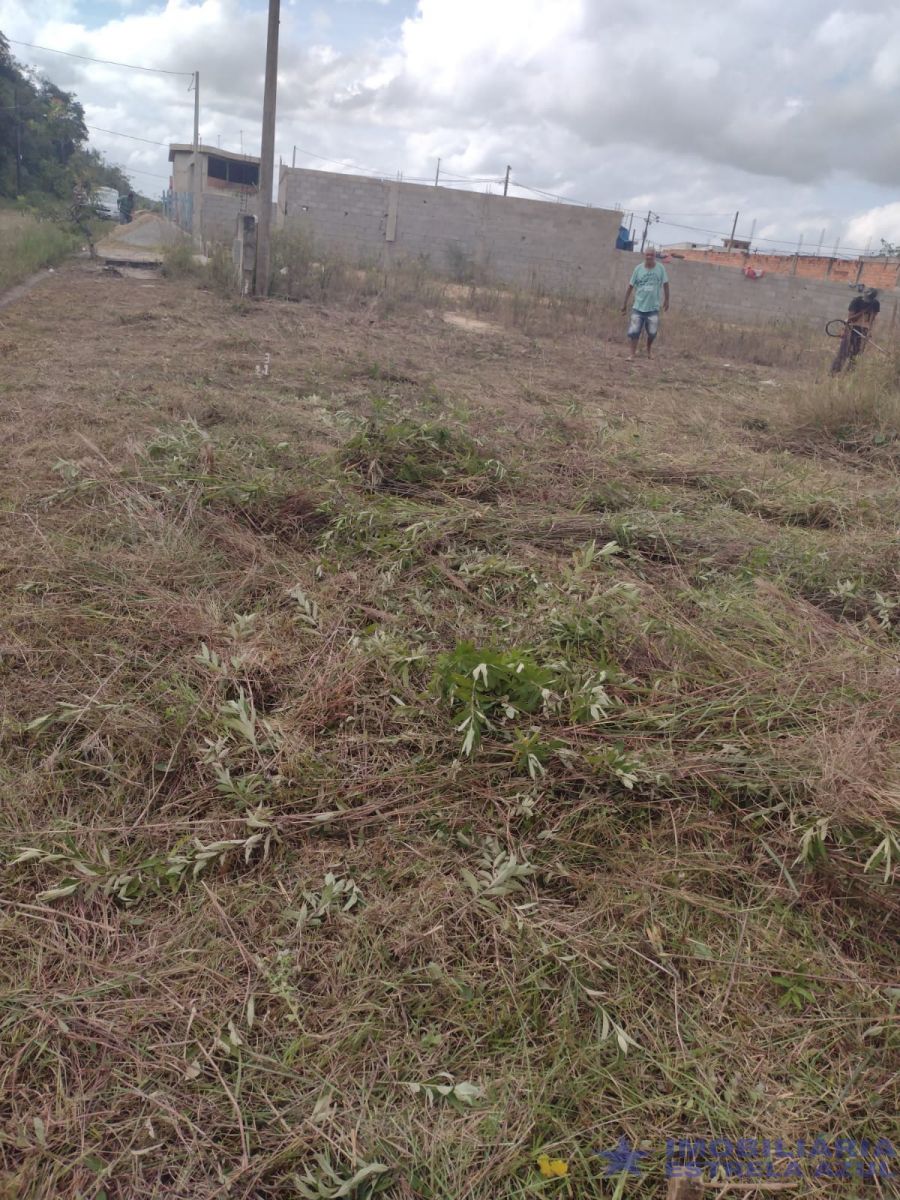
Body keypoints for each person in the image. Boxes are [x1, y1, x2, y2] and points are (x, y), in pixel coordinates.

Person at [622, 247, 670, 359]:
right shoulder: (638, 269)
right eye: (647, 254)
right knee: (634, 332)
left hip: (653, 308)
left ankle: (648, 350)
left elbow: (666, 284)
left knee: (652, 333)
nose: (649, 257)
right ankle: (632, 354)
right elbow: (630, 286)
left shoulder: (660, 268)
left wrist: (667, 300)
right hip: (638, 306)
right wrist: (624, 303)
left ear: (655, 256)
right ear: (644, 255)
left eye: (651, 255)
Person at [831, 287, 880, 374]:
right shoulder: (856, 301)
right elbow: (850, 318)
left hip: (863, 331)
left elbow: (872, 318)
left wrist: (868, 332)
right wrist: (863, 312)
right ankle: (833, 373)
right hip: (852, 328)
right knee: (843, 353)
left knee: (855, 356)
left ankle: (848, 375)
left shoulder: (875, 303)